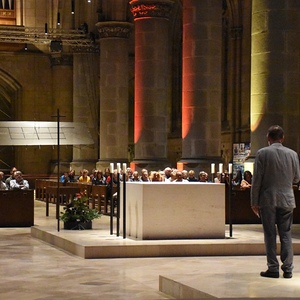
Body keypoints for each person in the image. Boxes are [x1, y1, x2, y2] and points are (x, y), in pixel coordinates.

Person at [251, 125, 300, 279]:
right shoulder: (292, 154)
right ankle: (288, 269)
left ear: (268, 138)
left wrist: (254, 201)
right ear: (282, 138)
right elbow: (297, 178)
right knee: (286, 234)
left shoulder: (262, 153)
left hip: (268, 199)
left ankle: (273, 268)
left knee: (270, 234)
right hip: (287, 199)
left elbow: (257, 180)